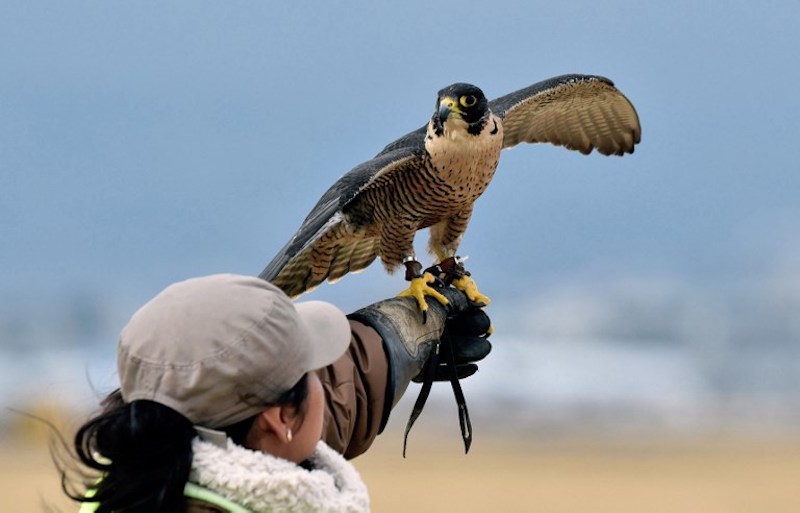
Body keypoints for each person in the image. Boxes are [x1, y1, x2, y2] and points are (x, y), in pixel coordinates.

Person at [62, 273, 492, 512]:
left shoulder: (129, 482)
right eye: (311, 368)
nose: (324, 377)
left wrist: (391, 339)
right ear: (283, 417)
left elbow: (322, 401)